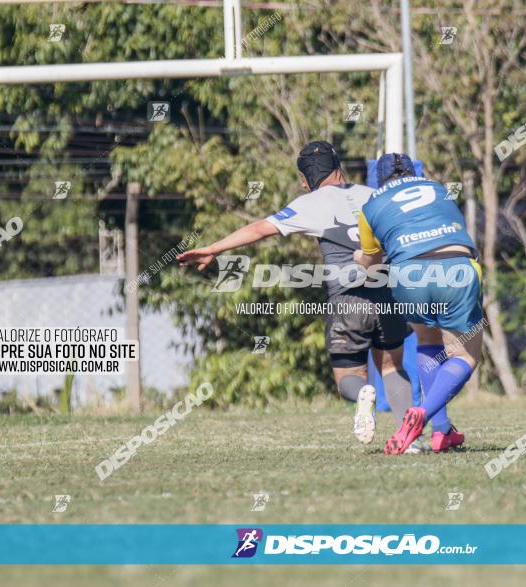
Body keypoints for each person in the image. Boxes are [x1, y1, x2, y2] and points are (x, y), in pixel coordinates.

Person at [177, 141, 415, 446]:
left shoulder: (310, 203)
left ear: (305, 181)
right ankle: (411, 438)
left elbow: (260, 229)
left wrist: (212, 248)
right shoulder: (374, 195)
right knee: (392, 366)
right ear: (339, 167)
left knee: (348, 378)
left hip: (347, 299)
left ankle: (362, 396)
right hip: (388, 295)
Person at [356, 153, 483, 455]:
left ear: (380, 179)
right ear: (414, 172)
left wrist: (358, 258)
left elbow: (370, 263)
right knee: (465, 355)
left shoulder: (370, 206)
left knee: (428, 338)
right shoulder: (438, 188)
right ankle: (424, 415)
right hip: (456, 267)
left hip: (407, 276)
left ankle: (442, 432)